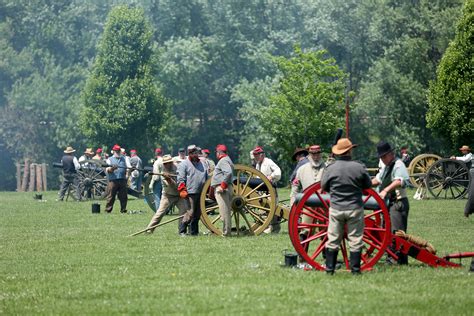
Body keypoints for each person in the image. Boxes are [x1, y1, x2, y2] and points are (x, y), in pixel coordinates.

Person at [321, 138, 372, 275]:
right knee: (355, 240)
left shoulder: (331, 168)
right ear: (350, 151)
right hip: (355, 208)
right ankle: (355, 271)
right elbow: (368, 185)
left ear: (338, 152)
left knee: (333, 239)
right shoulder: (359, 167)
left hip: (336, 208)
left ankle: (330, 270)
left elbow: (323, 186)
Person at [372, 141, 410, 265]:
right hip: (388, 204)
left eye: (384, 156)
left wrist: (385, 190)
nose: (382, 159)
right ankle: (391, 257)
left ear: (391, 154)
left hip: (398, 203)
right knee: (387, 231)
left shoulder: (398, 165)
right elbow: (377, 180)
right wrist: (362, 184)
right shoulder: (387, 167)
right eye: (381, 157)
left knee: (397, 233)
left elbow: (400, 181)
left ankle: (399, 260)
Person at [146, 155, 189, 233]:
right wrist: (168, 178)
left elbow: (181, 182)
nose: (167, 165)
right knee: (159, 213)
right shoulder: (162, 172)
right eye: (165, 163)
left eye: (168, 163)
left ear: (171, 162)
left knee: (183, 212)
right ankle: (149, 230)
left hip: (179, 195)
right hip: (168, 195)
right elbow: (173, 186)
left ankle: (181, 231)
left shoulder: (178, 168)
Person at [290, 145, 326, 239]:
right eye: (313, 154)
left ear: (321, 154)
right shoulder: (302, 169)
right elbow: (295, 188)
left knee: (325, 232)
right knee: (305, 230)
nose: (316, 156)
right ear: (309, 155)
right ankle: (302, 252)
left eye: (318, 154)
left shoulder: (328, 168)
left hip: (325, 205)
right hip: (308, 205)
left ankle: (326, 254)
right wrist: (292, 206)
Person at [177, 145, 208, 236]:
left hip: (201, 192)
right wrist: (182, 190)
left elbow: (206, 177)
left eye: (196, 153)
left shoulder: (203, 163)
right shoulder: (184, 164)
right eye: (193, 153)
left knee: (198, 213)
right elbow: (181, 179)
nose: (195, 155)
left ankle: (194, 232)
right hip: (190, 192)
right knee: (190, 213)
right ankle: (182, 231)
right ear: (189, 154)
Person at [253, 146, 282, 233]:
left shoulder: (268, 162)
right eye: (255, 156)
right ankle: (266, 226)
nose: (255, 158)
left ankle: (275, 228)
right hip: (262, 188)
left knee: (272, 207)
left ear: (262, 155)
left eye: (257, 155)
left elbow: (278, 171)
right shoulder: (258, 164)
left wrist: (271, 176)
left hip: (270, 188)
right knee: (264, 207)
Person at [210, 144, 234, 236]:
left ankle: (226, 233)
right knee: (225, 211)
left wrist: (222, 186)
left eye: (216, 152)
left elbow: (228, 173)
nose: (216, 154)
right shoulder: (226, 159)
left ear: (219, 152)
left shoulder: (223, 160)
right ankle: (226, 231)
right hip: (225, 188)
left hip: (223, 189)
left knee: (225, 212)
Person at [105, 144, 131, 213]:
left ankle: (123, 209)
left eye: (118, 151)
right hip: (113, 180)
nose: (117, 152)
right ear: (113, 151)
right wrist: (112, 168)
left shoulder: (124, 158)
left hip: (122, 179)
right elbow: (108, 170)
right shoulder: (109, 159)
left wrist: (128, 174)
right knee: (111, 196)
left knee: (123, 196)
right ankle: (108, 210)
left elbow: (128, 168)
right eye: (116, 151)